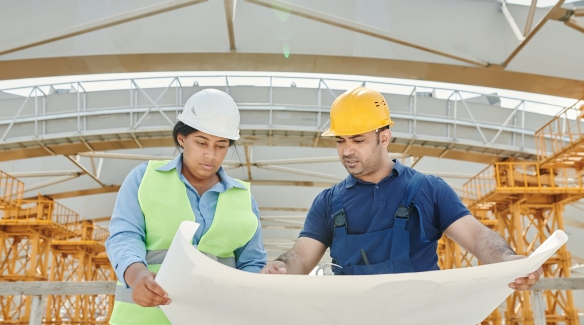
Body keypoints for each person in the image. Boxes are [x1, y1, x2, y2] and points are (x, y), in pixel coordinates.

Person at [260, 87, 542, 290]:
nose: (346, 150)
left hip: (420, 317)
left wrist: (508, 259)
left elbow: (477, 237)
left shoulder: (428, 190)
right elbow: (301, 256)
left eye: (357, 140)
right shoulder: (328, 202)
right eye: (340, 141)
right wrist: (281, 267)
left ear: (384, 137)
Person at [106, 89, 267, 325]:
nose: (210, 155)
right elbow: (125, 235)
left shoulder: (243, 198)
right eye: (201, 142)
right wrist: (137, 275)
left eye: (220, 146)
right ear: (182, 138)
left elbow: (252, 263)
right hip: (144, 318)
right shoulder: (144, 179)